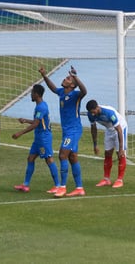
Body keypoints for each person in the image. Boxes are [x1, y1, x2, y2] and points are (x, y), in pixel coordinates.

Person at [39, 65, 87, 197]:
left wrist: (76, 77)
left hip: (74, 130)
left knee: (62, 155)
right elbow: (53, 88)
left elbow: (84, 91)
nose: (64, 80)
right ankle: (79, 188)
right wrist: (44, 76)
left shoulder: (76, 95)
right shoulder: (62, 92)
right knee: (72, 157)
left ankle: (62, 187)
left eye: (67, 79)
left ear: (72, 85)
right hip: (67, 131)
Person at [12, 84, 60, 193]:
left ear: (37, 94)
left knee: (49, 159)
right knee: (30, 158)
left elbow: (35, 124)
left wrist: (20, 133)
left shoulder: (41, 107)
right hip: (38, 138)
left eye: (32, 93)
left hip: (44, 138)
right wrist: (26, 120)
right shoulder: (40, 106)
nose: (31, 94)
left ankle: (57, 185)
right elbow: (37, 122)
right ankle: (25, 185)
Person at [86, 99, 128, 188]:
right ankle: (106, 179)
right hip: (109, 130)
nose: (93, 114)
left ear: (97, 107)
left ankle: (120, 180)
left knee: (120, 154)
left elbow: (119, 130)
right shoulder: (90, 114)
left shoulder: (109, 113)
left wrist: (121, 149)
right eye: (91, 112)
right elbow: (93, 129)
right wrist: (95, 145)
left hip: (120, 128)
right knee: (107, 153)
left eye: (94, 112)